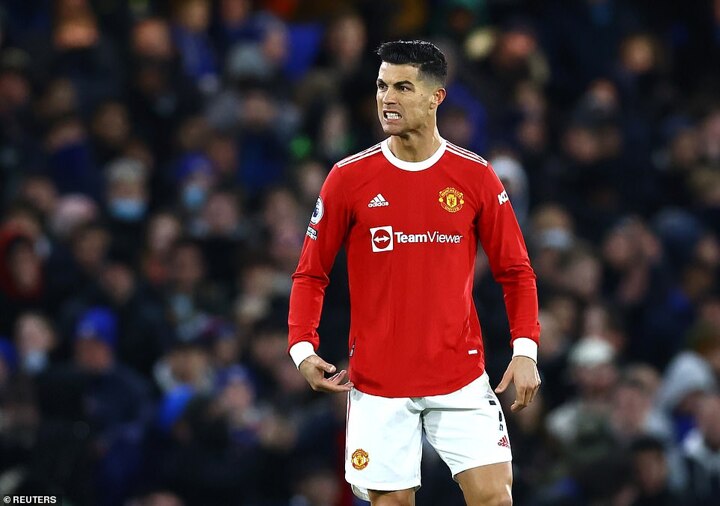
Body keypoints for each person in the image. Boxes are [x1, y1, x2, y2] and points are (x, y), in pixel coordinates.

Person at [287, 40, 541, 506]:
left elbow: (516, 271)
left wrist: (525, 350)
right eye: (382, 86)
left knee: (494, 497)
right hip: (378, 382)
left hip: (459, 375)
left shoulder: (475, 176)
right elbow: (310, 273)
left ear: (435, 97)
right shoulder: (348, 178)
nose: (388, 98)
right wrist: (302, 348)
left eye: (403, 87)